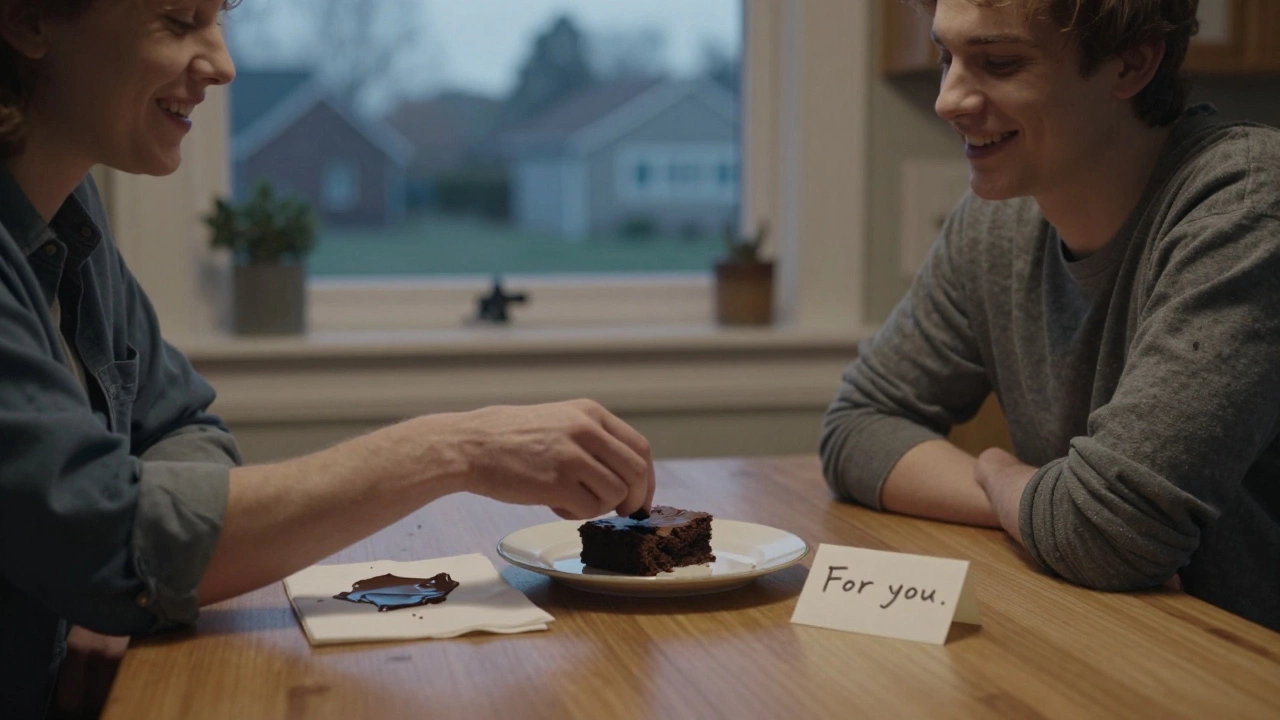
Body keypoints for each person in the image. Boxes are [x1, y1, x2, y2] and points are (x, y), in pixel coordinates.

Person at [0, 1, 655, 717]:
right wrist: (453, 449)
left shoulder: (70, 214)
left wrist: (119, 580)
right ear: (29, 20)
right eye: (180, 19)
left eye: (219, 17)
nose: (223, 63)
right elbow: (105, 533)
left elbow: (181, 427)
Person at [821, 0, 1280, 632]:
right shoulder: (997, 221)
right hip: (1114, 642)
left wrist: (1006, 472)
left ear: (1134, 62)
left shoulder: (1245, 207)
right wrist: (1033, 500)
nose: (948, 99)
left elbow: (1107, 533)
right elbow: (858, 427)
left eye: (1000, 62)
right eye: (946, 57)